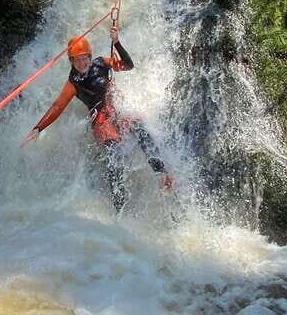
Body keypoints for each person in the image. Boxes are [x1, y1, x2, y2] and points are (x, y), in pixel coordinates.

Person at [22, 25, 174, 210]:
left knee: (138, 126)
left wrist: (116, 43)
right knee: (113, 150)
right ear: (71, 61)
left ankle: (161, 173)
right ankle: (120, 206)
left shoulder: (102, 63)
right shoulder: (73, 83)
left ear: (89, 56)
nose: (81, 64)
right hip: (100, 117)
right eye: (76, 60)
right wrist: (38, 127)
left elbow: (128, 65)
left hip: (115, 108)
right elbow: (57, 106)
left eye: (84, 58)